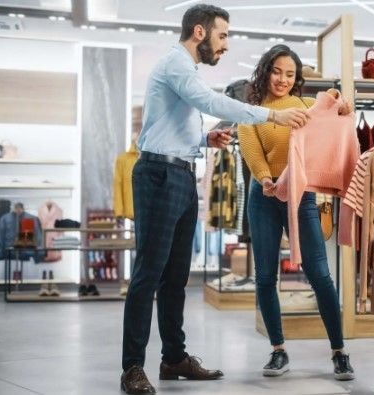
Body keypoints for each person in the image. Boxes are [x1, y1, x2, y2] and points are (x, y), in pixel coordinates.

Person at [120, 5, 310, 395]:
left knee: (175, 277)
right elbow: (209, 102)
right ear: (200, 32)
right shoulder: (176, 63)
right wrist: (271, 117)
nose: (225, 44)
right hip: (159, 174)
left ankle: (174, 358)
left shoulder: (184, 69)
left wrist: (203, 140)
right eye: (222, 36)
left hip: (181, 173)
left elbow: (173, 123)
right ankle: (131, 369)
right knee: (148, 274)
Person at [237, 44, 355, 381]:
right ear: (265, 71)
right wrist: (263, 179)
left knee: (320, 273)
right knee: (264, 276)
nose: (283, 80)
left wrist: (341, 109)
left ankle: (339, 351)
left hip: (301, 197)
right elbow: (251, 149)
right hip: (264, 196)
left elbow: (332, 124)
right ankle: (278, 350)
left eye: (290, 74)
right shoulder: (253, 110)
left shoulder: (305, 107)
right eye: (277, 71)